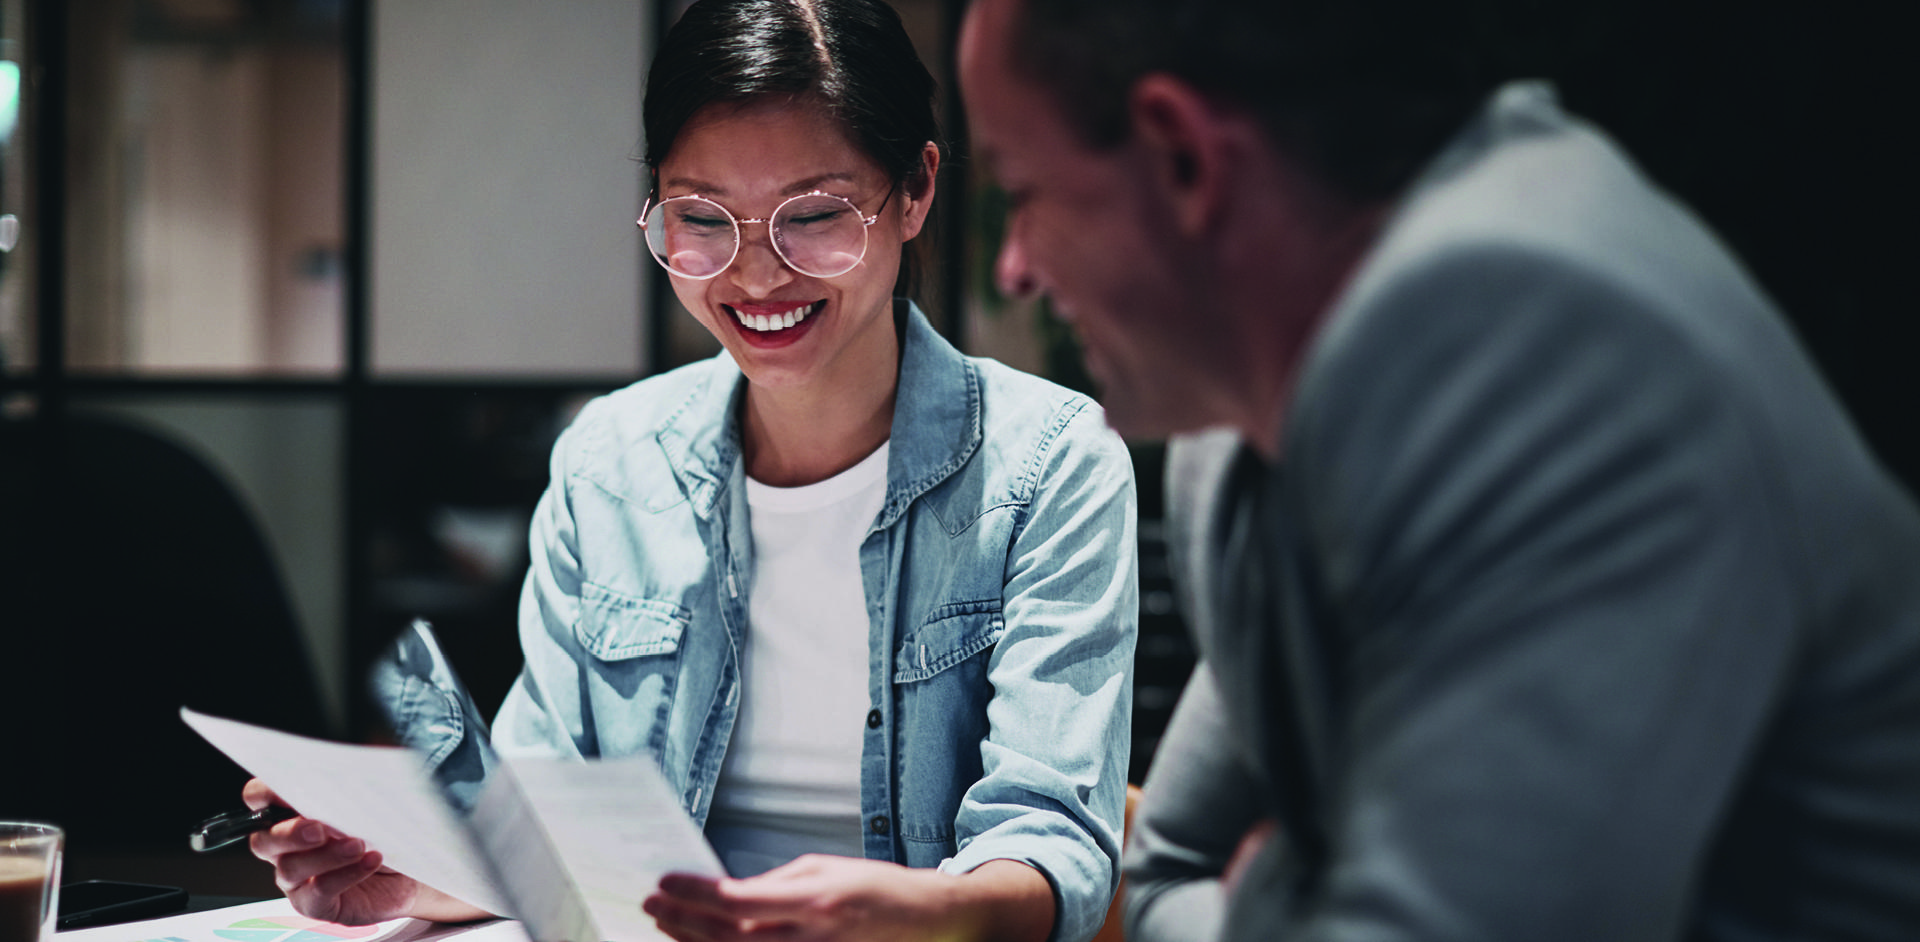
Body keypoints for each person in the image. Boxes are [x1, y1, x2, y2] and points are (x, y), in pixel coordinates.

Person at [958, 0, 1920, 940]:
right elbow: (1166, 873)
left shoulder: (1536, 346)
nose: (1014, 269)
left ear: (1183, 156)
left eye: (1021, 193)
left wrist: (1283, 893)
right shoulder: (1240, 425)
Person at [247, 2, 1138, 940]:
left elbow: (1053, 848)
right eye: (702, 218)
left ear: (914, 190)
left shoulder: (1049, 465)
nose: (755, 276)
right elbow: (541, 816)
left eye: (814, 216)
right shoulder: (611, 462)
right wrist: (411, 872)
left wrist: (909, 916)